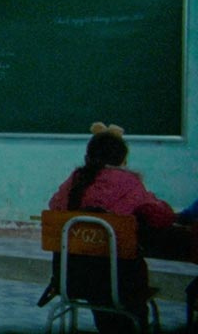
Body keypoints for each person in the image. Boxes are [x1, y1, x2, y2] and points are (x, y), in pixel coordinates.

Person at [48, 122, 176, 334]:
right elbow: (161, 217)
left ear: (88, 157)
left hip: (72, 280)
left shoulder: (75, 180)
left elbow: (54, 206)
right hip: (120, 283)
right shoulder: (128, 182)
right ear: (122, 159)